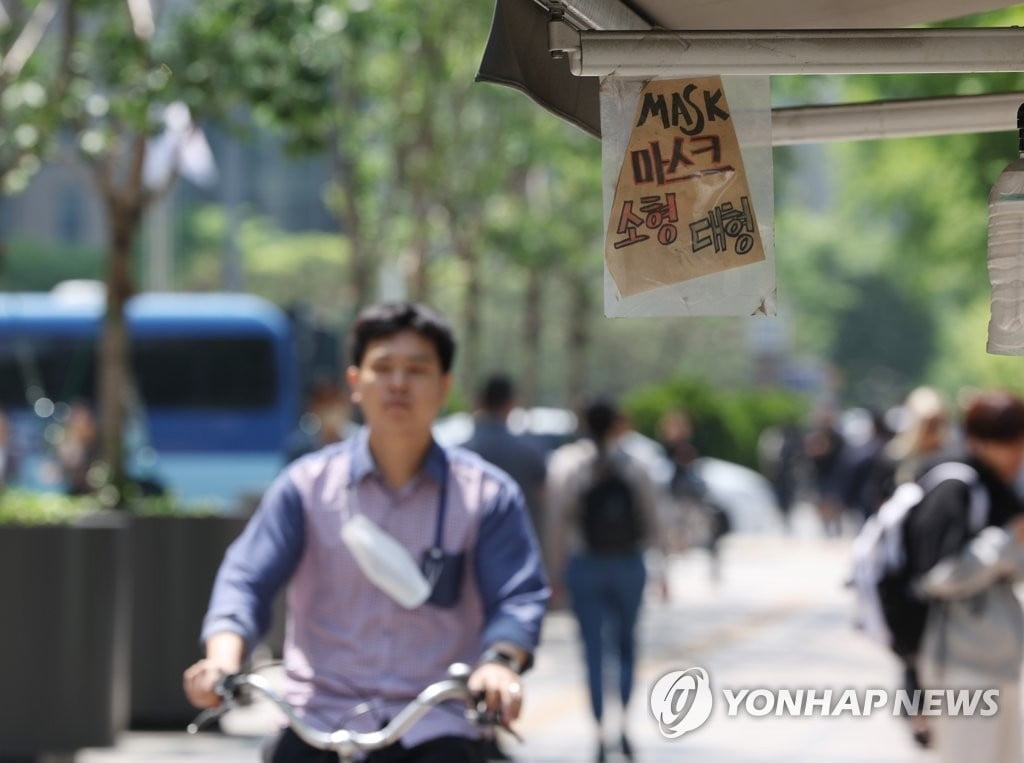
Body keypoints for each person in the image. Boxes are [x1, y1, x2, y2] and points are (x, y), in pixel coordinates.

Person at [183, 302, 550, 763]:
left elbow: (518, 597)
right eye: (383, 367)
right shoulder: (305, 487)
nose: (398, 383)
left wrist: (499, 665)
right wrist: (222, 659)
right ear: (356, 383)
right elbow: (247, 579)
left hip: (436, 723)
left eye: (416, 369)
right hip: (318, 721)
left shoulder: (487, 495)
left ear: (444, 386)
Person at [905, 390, 1024, 763]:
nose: (1018, 455)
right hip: (959, 663)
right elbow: (937, 575)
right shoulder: (955, 486)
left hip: (997, 658)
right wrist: (1006, 542)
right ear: (981, 440)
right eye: (1011, 444)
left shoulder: (996, 487)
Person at [545, 399, 661, 763]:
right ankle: (624, 724)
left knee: (592, 650)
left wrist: (553, 573)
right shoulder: (636, 463)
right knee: (626, 646)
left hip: (585, 566)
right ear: (617, 425)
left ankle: (598, 731)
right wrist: (663, 569)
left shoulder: (567, 463)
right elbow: (652, 518)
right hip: (628, 564)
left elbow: (555, 525)